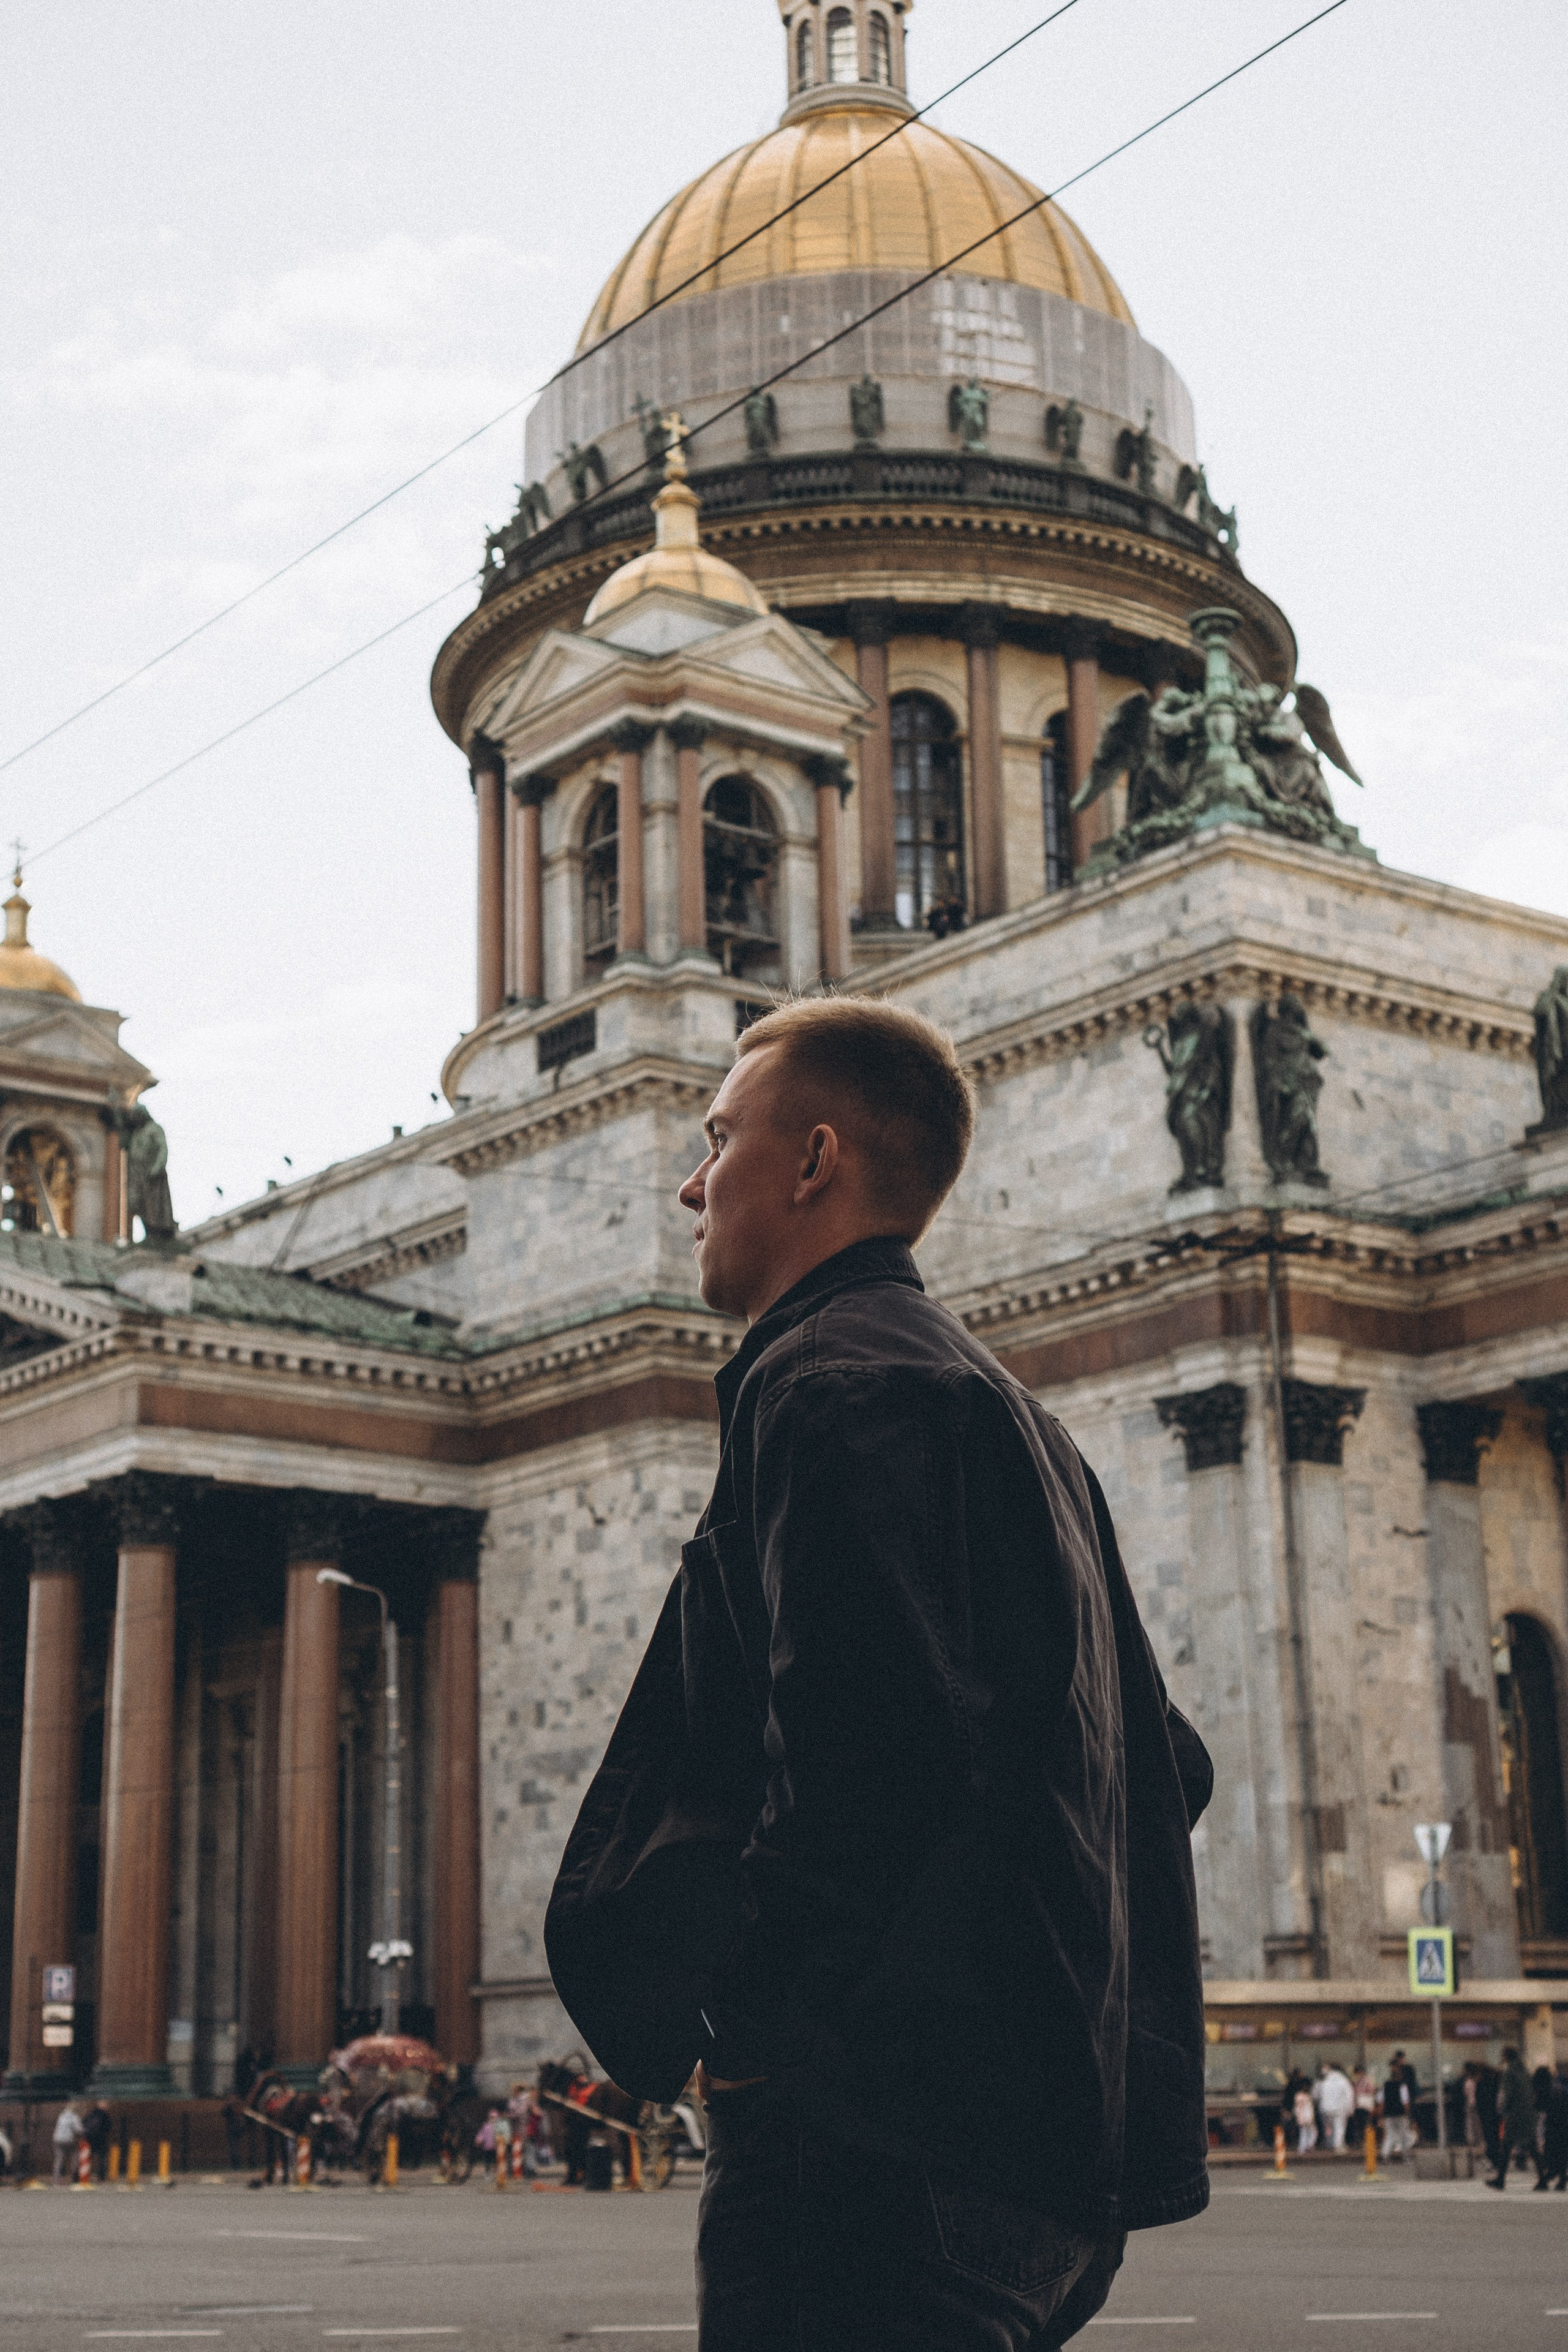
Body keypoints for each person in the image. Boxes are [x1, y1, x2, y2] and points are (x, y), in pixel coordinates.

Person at [546, 998, 1215, 2352]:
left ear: (812, 1164)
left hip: (874, 2139)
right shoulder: (1011, 1416)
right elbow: (1169, 1762)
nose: (689, 1180)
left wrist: (751, 2032)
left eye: (717, 1137)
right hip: (1035, 2146)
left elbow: (868, 1761)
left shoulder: (829, 1383)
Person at [1489, 2046, 1536, 2190]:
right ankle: (1543, 2177)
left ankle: (1500, 2180)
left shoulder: (1509, 2072)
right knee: (1531, 2145)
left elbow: (1508, 2094)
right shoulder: (1525, 2071)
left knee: (1507, 2146)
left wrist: (1503, 2110)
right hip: (1527, 2112)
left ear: (1506, 2056)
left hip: (1515, 2114)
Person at [1381, 2052, 1413, 2162]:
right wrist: (1408, 2113)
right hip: (1400, 2114)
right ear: (1399, 2077)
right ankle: (1405, 2157)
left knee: (1389, 2136)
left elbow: (1381, 2102)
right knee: (1404, 2136)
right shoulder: (1402, 2086)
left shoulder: (1385, 2086)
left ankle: (1385, 2156)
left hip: (1388, 2115)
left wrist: (1381, 2115)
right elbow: (1406, 2103)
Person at [1541, 2063, 1568, 2192]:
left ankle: (1553, 2176)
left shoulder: (1551, 2088)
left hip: (1555, 2124)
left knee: (1554, 2150)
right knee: (1560, 2151)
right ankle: (1556, 2176)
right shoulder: (1558, 2086)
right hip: (1561, 2123)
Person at [1316, 2063, 1354, 2153]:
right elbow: (1349, 2096)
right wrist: (1350, 2108)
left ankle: (1330, 2144)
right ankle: (1338, 2146)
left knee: (1329, 2128)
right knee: (1339, 2127)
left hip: (1326, 2108)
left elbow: (1319, 2095)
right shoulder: (1344, 2081)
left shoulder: (1326, 2081)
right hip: (1340, 2108)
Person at [51, 2102, 83, 2186]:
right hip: (69, 2140)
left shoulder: (61, 2116)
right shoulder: (74, 2117)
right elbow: (79, 2130)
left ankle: (56, 2180)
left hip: (58, 2140)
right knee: (75, 2156)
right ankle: (74, 2177)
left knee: (59, 2159)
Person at [82, 2100, 112, 2184]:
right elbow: (108, 2127)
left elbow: (84, 2122)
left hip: (90, 2139)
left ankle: (83, 2177)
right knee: (102, 2159)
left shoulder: (92, 2113)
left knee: (87, 2158)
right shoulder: (105, 2115)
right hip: (101, 2139)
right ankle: (101, 2178)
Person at [1352, 2064, 1378, 2150]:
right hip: (1358, 2106)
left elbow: (1372, 2092)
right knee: (1360, 2125)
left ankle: (1367, 2143)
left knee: (1365, 2124)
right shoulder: (1356, 2082)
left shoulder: (1367, 2081)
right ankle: (1361, 2143)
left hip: (1365, 2106)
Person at [1292, 2082, 1317, 2154]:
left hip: (1303, 2117)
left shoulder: (1298, 2096)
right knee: (1311, 2132)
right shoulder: (1306, 2097)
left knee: (1305, 2133)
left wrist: (1299, 2117)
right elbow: (1308, 2109)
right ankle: (1306, 2147)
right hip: (1307, 2117)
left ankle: (1303, 2148)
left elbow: (1297, 2109)